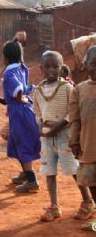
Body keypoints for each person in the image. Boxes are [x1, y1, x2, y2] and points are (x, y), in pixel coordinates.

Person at [33, 51, 94, 222]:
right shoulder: (38, 90)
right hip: (46, 137)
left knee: (74, 169)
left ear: (61, 69)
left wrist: (58, 126)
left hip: (64, 135)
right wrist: (40, 125)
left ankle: (88, 201)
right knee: (49, 170)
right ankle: (54, 206)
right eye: (47, 66)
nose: (51, 70)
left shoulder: (67, 88)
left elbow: (72, 112)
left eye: (55, 66)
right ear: (41, 68)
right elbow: (37, 111)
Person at [3, 40, 41, 193]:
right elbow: (20, 89)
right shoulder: (22, 68)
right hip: (22, 110)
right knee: (16, 142)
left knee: (22, 143)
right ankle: (27, 173)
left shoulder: (9, 73)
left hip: (19, 112)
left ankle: (32, 180)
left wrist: (20, 99)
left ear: (5, 58)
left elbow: (18, 90)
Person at [69, 46, 96, 231]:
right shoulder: (79, 90)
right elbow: (75, 118)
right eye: (93, 64)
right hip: (88, 146)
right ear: (85, 65)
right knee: (92, 182)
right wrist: (74, 141)